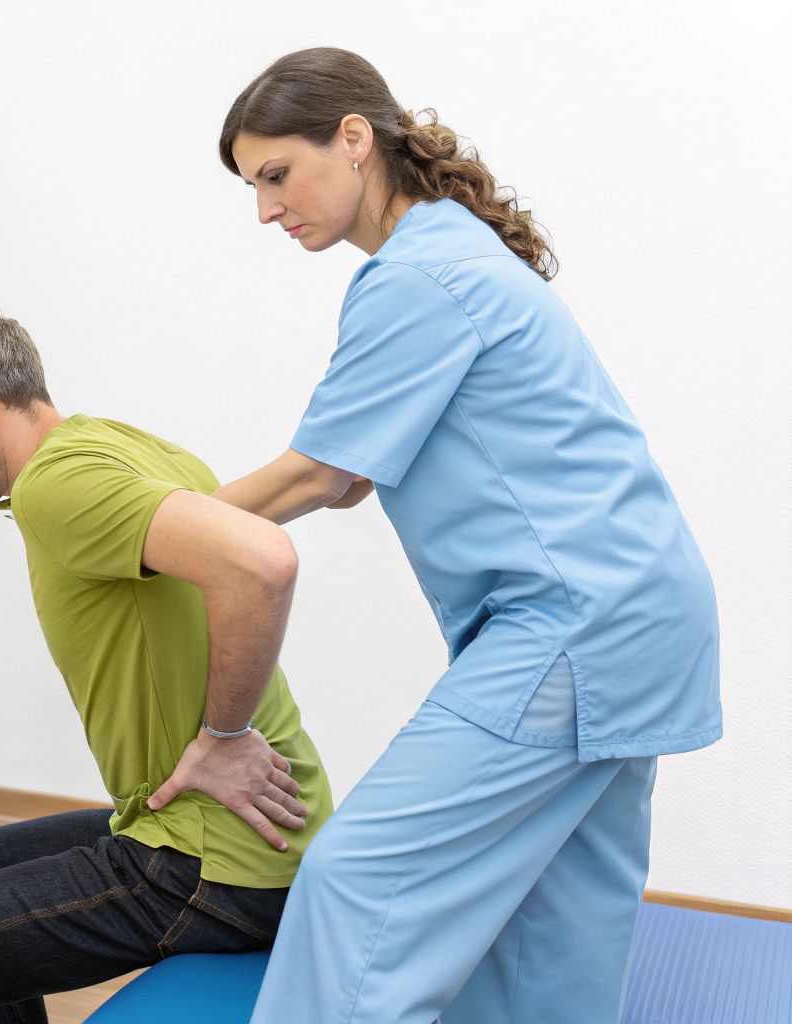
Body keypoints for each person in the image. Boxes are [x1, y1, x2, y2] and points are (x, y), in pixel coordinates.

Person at [202, 47, 721, 1024]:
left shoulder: (414, 277)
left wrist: (158, 529)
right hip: (643, 612)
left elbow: (314, 471)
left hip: (574, 625)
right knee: (557, 921)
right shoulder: (450, 249)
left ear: (352, 140)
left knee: (353, 882)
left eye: (274, 175)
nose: (266, 210)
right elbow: (349, 471)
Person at [0, 303, 332, 1024]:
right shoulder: (118, 446)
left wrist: (224, 734)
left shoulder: (57, 486)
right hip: (257, 835)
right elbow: (238, 532)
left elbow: (261, 563)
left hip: (206, 865)